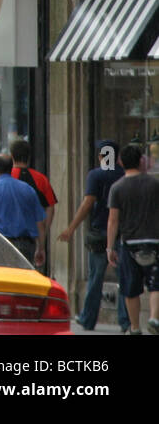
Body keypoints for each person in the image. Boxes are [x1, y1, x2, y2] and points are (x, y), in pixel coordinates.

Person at [58, 140, 128, 330]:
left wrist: (71, 228)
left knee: (95, 278)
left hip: (100, 233)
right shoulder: (124, 174)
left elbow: (88, 203)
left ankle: (88, 318)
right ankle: (125, 320)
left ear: (101, 156)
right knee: (124, 277)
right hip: (123, 233)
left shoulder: (96, 175)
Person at [107, 143, 159, 335]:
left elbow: (113, 220)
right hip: (154, 241)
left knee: (131, 288)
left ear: (121, 162)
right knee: (156, 284)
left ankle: (135, 327)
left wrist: (109, 247)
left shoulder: (117, 188)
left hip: (128, 244)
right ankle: (154, 318)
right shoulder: (154, 184)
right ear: (140, 161)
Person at [0, 153, 45, 266]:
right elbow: (40, 222)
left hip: (1, 245)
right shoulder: (28, 189)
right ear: (11, 168)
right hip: (26, 247)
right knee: (22, 280)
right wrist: (40, 247)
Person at [9, 138, 57, 272]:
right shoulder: (41, 179)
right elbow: (50, 207)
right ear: (29, 157)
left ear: (12, 156)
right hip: (31, 239)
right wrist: (42, 235)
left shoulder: (7, 178)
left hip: (7, 238)